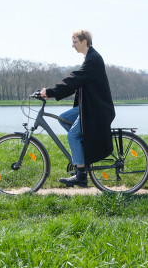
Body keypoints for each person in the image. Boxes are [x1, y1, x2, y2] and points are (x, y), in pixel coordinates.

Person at [40, 30, 115, 188]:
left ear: (84, 42)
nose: (72, 45)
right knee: (64, 119)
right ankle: (82, 155)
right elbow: (76, 84)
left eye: (74, 42)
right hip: (90, 106)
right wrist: (52, 93)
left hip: (96, 109)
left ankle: (81, 175)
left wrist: (52, 91)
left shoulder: (93, 59)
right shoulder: (89, 58)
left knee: (73, 135)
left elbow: (75, 79)